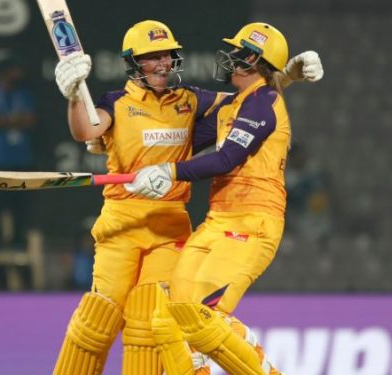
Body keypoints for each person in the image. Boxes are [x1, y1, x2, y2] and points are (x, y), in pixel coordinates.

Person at [52, 20, 322, 375]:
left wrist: (283, 76)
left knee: (153, 322)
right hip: (122, 222)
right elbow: (85, 129)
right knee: (95, 323)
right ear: (134, 63)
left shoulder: (191, 100)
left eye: (167, 55)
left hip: (170, 225)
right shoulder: (115, 103)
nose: (163, 63)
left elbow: (247, 105)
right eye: (152, 58)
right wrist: (74, 95)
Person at [124, 22, 298, 375]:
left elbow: (225, 159)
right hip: (218, 221)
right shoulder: (236, 104)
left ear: (253, 59)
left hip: (253, 224)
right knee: (166, 320)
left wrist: (169, 173)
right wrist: (109, 135)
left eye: (238, 52)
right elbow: (177, 138)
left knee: (203, 317)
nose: (230, 58)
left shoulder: (264, 102)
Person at [0, 58, 36, 250]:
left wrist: (3, 121)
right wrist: (13, 120)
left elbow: (30, 121)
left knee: (20, 203)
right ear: (5, 72)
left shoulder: (24, 95)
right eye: (14, 71)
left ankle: (18, 241)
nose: (18, 75)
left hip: (21, 157)